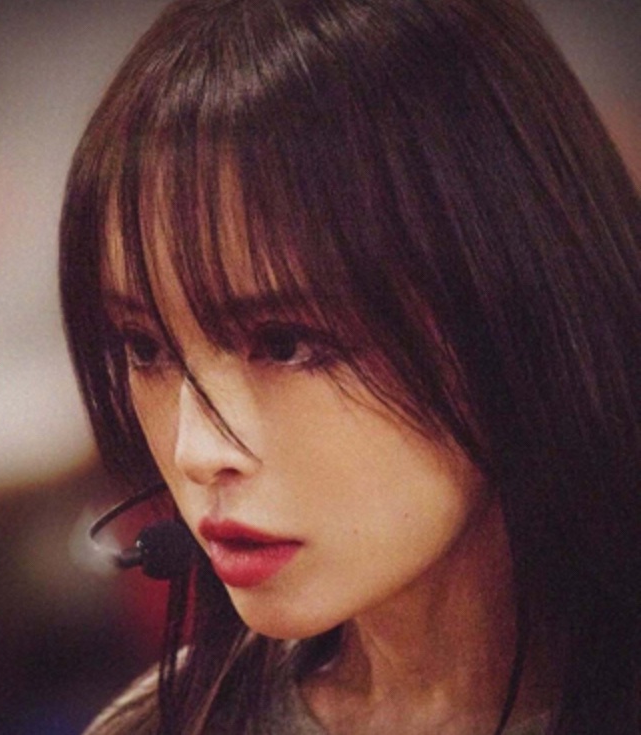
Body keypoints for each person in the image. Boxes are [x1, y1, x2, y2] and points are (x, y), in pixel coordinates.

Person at [59, 0, 641, 732]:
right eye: (144, 346)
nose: (196, 451)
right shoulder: (161, 719)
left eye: (285, 342)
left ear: (513, 303)